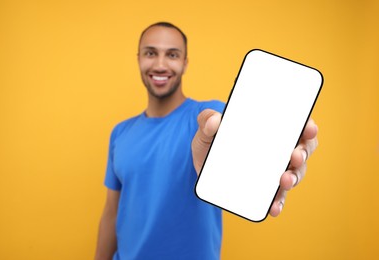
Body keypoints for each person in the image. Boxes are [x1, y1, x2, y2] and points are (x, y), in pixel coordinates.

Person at [95, 22, 319, 260]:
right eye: (151, 53)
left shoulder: (210, 117)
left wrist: (287, 144)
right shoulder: (120, 133)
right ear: (139, 58)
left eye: (172, 55)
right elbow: (112, 211)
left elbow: (238, 137)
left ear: (185, 63)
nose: (160, 64)